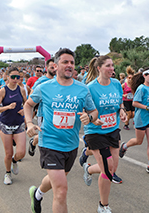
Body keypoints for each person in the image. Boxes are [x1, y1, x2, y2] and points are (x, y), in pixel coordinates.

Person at [24, 48, 98, 213]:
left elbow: (93, 111)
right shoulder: (44, 87)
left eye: (72, 62)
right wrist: (29, 123)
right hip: (49, 143)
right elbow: (28, 105)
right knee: (61, 191)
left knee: (57, 179)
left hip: (70, 145)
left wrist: (90, 118)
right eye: (65, 62)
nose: (69, 65)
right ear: (55, 66)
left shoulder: (82, 89)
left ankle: (37, 193)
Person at [81, 56, 127, 213]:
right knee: (108, 170)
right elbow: (84, 110)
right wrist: (92, 119)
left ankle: (88, 169)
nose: (112, 68)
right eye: (108, 65)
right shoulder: (90, 88)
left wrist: (121, 110)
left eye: (113, 65)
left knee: (112, 168)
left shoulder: (116, 84)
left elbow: (120, 102)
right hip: (95, 132)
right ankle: (103, 205)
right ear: (99, 68)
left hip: (112, 129)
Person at [119, 68, 149, 177]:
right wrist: (148, 108)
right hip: (141, 118)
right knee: (139, 141)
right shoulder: (141, 88)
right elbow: (135, 103)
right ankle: (124, 146)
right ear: (144, 76)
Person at [0, 68, 27, 185]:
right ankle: (7, 173)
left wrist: (23, 111)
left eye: (17, 77)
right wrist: (7, 107)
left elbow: (26, 104)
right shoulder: (3, 90)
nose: (15, 79)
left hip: (18, 123)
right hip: (6, 124)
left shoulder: (21, 89)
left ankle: (14, 160)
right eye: (13, 77)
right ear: (7, 77)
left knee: (21, 152)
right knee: (8, 153)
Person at [28, 59, 56, 157]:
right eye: (52, 67)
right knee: (44, 136)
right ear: (47, 68)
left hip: (57, 113)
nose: (54, 69)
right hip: (43, 114)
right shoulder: (41, 81)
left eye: (55, 67)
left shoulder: (59, 80)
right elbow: (31, 96)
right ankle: (33, 142)